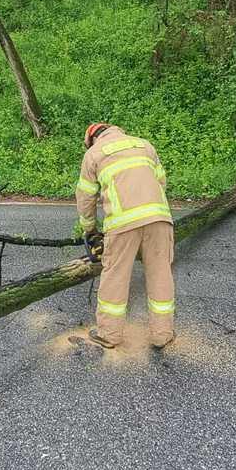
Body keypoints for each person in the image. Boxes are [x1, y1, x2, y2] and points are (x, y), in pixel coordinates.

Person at [74, 122, 175, 349]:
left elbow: (86, 198)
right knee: (161, 272)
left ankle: (109, 334)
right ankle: (162, 334)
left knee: (115, 275)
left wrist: (89, 229)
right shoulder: (145, 145)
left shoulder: (93, 154)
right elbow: (161, 181)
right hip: (159, 218)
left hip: (123, 223)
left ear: (91, 139)